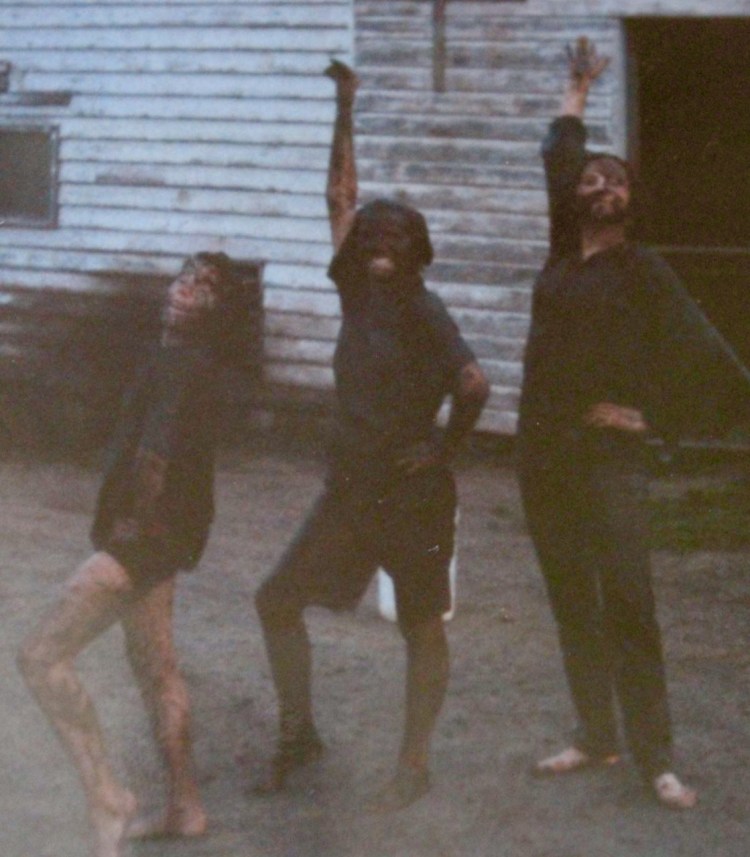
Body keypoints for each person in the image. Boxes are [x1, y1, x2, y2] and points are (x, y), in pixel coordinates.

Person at [518, 38, 750, 810]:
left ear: (630, 196)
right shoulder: (560, 253)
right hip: (545, 453)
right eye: (591, 179)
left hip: (611, 456)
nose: (600, 185)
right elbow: (557, 155)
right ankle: (595, 733)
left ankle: (656, 757)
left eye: (615, 180)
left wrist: (655, 419)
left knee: (627, 597)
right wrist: (576, 90)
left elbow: (711, 355)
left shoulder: (643, 268)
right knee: (569, 596)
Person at [254, 59, 490, 813]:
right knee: (276, 600)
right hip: (350, 488)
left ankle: (413, 764)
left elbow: (474, 384)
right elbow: (338, 195)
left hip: (413, 493)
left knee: (419, 625)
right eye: (371, 231)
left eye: (395, 231)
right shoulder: (358, 293)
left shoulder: (425, 308)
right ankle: (300, 734)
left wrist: (446, 449)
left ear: (418, 248)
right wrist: (346, 107)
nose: (377, 235)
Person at [18, 252, 247, 857]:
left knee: (39, 658)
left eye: (205, 287)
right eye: (185, 276)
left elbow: (157, 454)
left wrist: (131, 526)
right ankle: (186, 806)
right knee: (156, 668)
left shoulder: (184, 367)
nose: (186, 291)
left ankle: (108, 797)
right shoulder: (177, 361)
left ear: (218, 311)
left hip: (143, 539)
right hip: (166, 538)